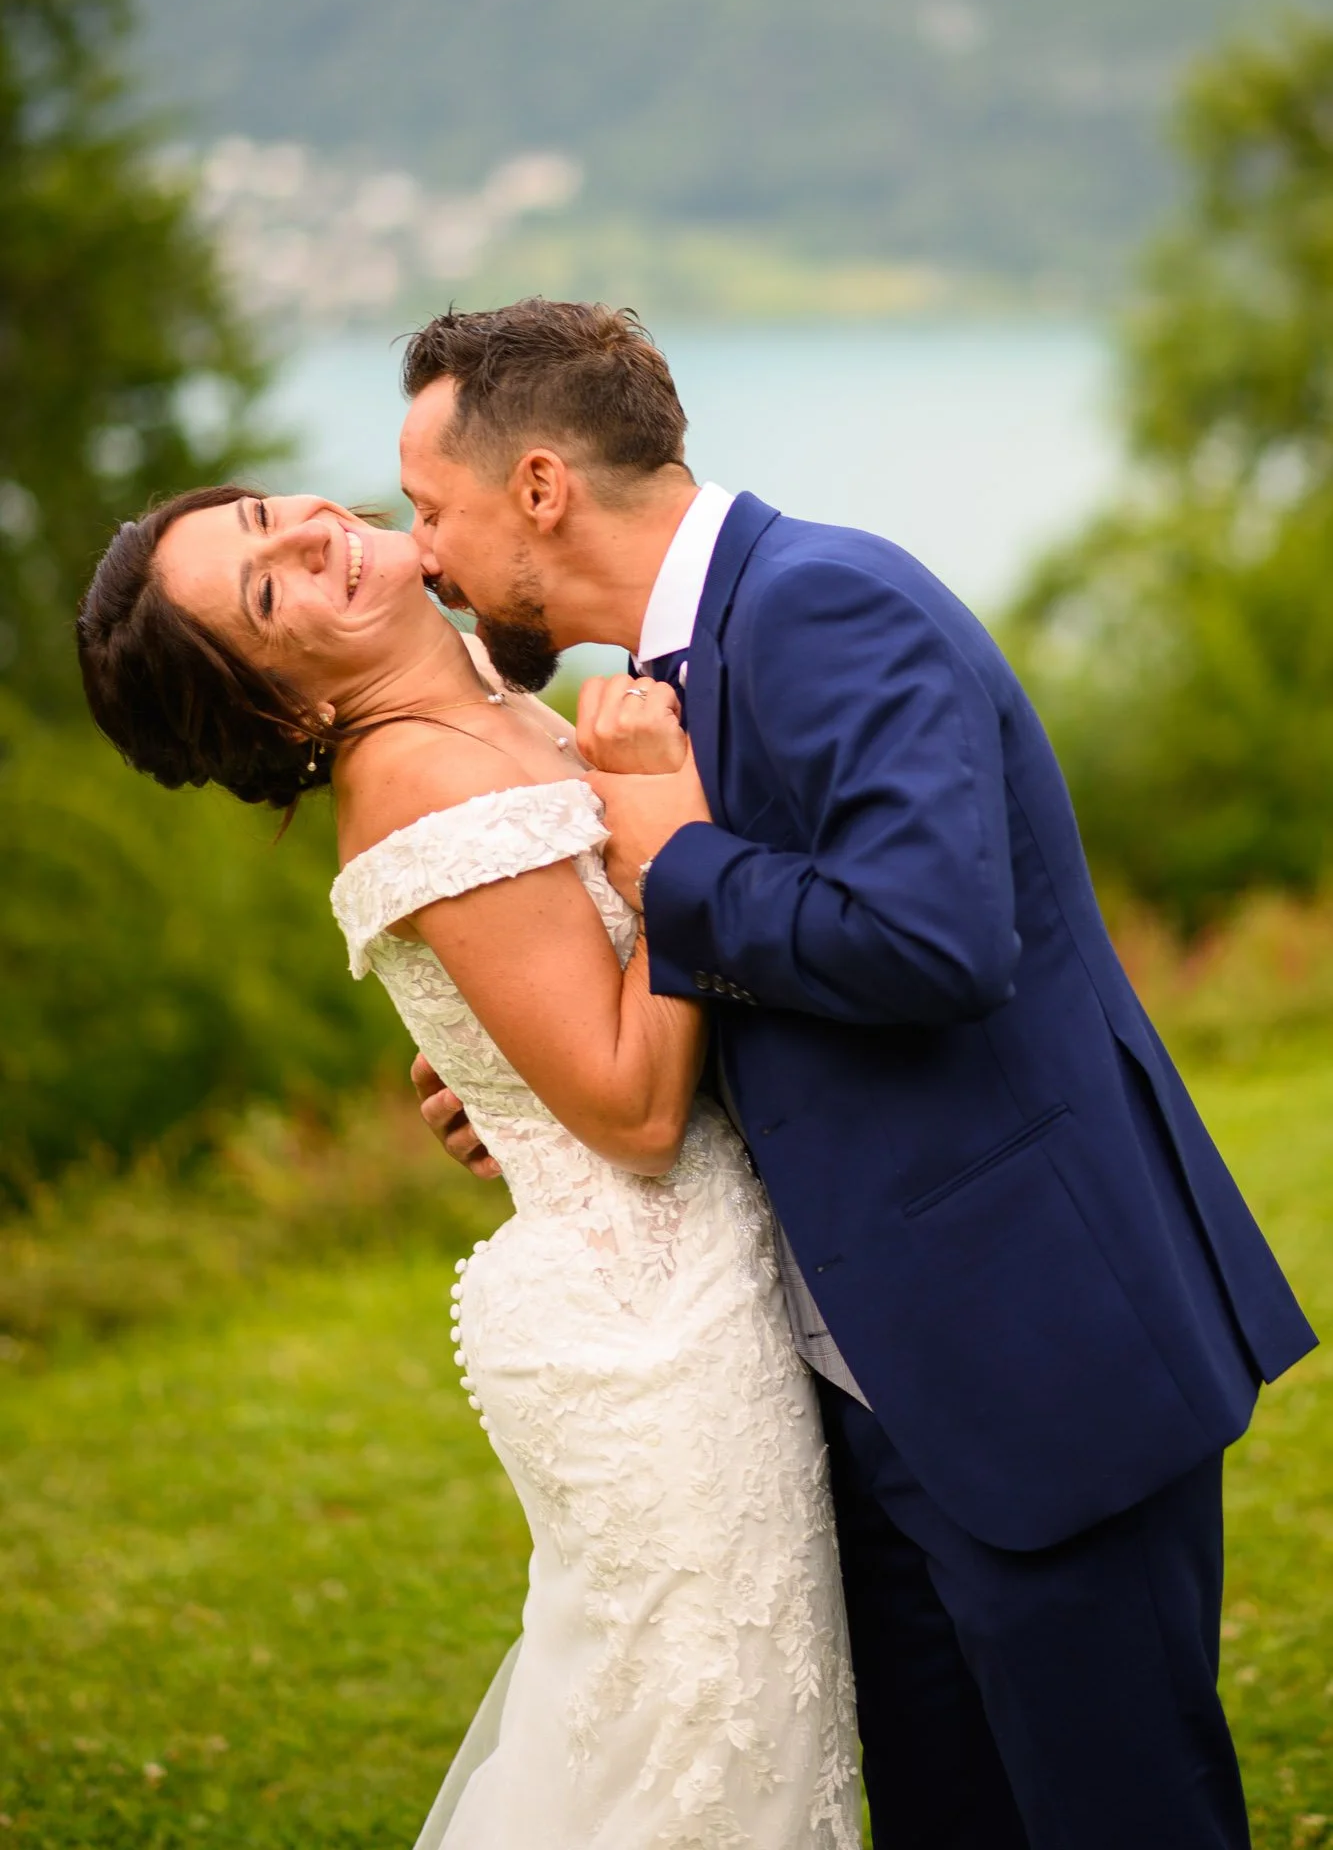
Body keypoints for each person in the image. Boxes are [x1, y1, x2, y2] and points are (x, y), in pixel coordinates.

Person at [395, 299, 1318, 1850]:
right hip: (860, 1392)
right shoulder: (679, 669)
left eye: (430, 508)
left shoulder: (823, 604)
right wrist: (547, 1085)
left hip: (1028, 1357)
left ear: (539, 486)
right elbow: (804, 994)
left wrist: (677, 860)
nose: (421, 554)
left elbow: (936, 941)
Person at [75, 486, 860, 1849]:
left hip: (694, 1288)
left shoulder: (488, 691)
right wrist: (670, 825)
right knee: (695, 1760)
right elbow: (634, 1112)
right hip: (651, 1333)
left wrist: (498, 1077)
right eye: (265, 591)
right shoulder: (417, 782)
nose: (305, 534)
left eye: (262, 513)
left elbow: (558, 1001)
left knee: (718, 1739)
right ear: (284, 710)